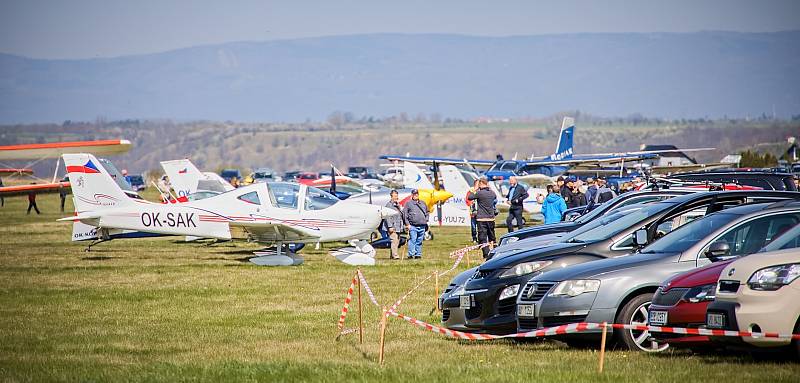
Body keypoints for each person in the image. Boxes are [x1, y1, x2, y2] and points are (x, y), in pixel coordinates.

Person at [467, 177, 497, 259]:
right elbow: (494, 197)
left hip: (481, 219)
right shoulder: (492, 193)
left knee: (483, 237)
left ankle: (486, 253)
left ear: (480, 184)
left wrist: (475, 189)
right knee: (492, 236)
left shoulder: (480, 193)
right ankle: (496, 251)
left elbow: (470, 197)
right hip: (491, 218)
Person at [402, 189, 429, 259]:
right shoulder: (408, 203)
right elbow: (405, 214)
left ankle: (418, 254)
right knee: (412, 240)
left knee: (419, 241)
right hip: (413, 226)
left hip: (422, 225)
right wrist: (407, 224)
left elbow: (427, 212)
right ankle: (411, 254)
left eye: (417, 194)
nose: (416, 195)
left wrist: (426, 220)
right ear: (412, 195)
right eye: (414, 194)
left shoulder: (423, 203)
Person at [383, 190, 406, 260]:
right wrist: (390, 226)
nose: (396, 197)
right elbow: (387, 216)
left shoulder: (397, 205)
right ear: (391, 196)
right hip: (392, 227)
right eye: (395, 196)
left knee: (396, 241)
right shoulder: (389, 205)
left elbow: (401, 215)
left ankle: (392, 255)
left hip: (398, 226)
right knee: (394, 240)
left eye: (397, 196)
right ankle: (395, 255)